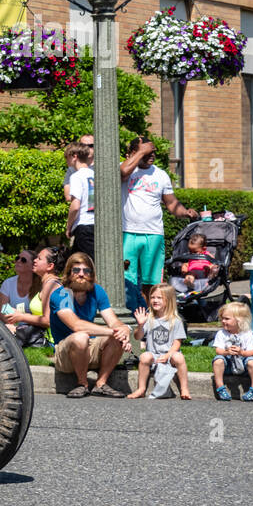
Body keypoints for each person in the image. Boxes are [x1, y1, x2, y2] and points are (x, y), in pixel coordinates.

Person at [120, 138, 198, 305]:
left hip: (153, 234)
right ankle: (131, 313)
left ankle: (149, 316)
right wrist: (141, 151)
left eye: (153, 152)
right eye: (147, 152)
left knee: (151, 282)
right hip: (128, 232)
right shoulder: (126, 169)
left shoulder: (160, 174)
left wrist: (185, 212)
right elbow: (121, 173)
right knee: (127, 279)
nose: (152, 155)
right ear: (134, 153)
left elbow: (171, 203)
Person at [49, 252, 131, 398]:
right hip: (66, 354)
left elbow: (113, 321)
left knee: (116, 336)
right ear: (68, 273)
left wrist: (123, 329)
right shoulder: (61, 294)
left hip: (90, 348)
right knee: (81, 336)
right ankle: (82, 384)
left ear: (91, 274)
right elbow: (76, 326)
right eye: (76, 270)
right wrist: (113, 331)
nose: (81, 274)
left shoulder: (97, 291)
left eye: (86, 271)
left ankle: (101, 384)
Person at [127, 283, 189, 400]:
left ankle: (184, 388)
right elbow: (137, 337)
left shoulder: (176, 321)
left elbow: (177, 343)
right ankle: (141, 389)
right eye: (152, 297)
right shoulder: (149, 318)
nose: (155, 300)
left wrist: (167, 355)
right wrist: (140, 325)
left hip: (170, 355)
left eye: (159, 298)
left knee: (179, 357)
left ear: (169, 300)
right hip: (153, 355)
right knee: (144, 356)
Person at [2, 246, 62, 347]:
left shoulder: (51, 286)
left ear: (50, 266)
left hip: (49, 340)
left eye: (39, 258)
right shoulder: (47, 284)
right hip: (41, 334)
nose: (35, 260)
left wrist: (20, 316)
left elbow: (48, 320)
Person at [211, 302, 253, 401]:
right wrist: (226, 352)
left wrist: (242, 352)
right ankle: (220, 387)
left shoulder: (247, 334)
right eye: (222, 318)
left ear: (239, 320)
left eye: (227, 319)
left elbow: (251, 352)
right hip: (228, 365)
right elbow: (218, 350)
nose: (223, 321)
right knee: (218, 360)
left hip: (243, 364)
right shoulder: (221, 333)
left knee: (252, 362)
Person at [64, 140, 95, 261]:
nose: (66, 161)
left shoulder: (76, 176)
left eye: (66, 157)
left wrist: (68, 226)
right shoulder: (94, 174)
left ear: (74, 156)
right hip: (96, 225)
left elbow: (75, 205)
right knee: (74, 263)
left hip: (83, 226)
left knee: (88, 264)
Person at [62, 134, 94, 203]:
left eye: (91, 146)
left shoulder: (103, 167)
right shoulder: (72, 169)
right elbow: (68, 196)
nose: (87, 148)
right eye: (84, 146)